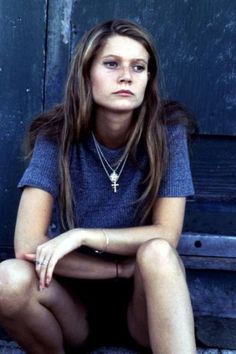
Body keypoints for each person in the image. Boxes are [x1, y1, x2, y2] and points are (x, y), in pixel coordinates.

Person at [0, 19, 196, 354]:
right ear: (86, 73)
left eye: (138, 67)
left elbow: (167, 233)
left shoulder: (167, 131)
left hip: (144, 302)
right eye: (111, 64)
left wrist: (83, 235)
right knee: (6, 279)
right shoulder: (55, 134)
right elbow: (28, 246)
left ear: (149, 80)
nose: (126, 76)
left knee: (159, 252)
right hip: (73, 305)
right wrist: (117, 268)